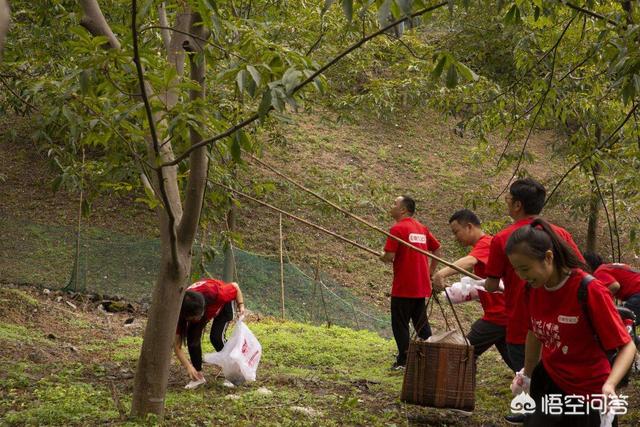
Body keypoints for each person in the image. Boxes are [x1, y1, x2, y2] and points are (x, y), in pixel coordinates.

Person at [505, 218, 635, 427]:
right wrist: (526, 375)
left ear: (548, 257)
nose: (521, 276)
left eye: (525, 269)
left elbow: (627, 346)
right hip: (552, 384)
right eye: (516, 270)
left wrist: (610, 385)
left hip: (590, 393)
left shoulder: (588, 290)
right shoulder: (532, 289)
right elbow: (534, 333)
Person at [483, 178, 584, 424]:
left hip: (522, 321)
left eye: (508, 199)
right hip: (560, 323)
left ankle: (533, 412)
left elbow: (492, 284)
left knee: (531, 374)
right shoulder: (558, 233)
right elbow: (581, 267)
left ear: (517, 204)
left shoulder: (503, 238)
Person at [432, 209, 514, 371]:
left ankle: (460, 390)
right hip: (503, 315)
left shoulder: (487, 243)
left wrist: (441, 273)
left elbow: (469, 261)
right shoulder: (485, 246)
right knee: (516, 361)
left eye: (457, 232)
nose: (456, 237)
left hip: (498, 316)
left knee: (465, 352)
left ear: (469, 227)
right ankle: (535, 385)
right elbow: (482, 283)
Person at [380, 195, 442, 370]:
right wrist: (429, 272)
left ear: (403, 210)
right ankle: (431, 356)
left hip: (404, 287)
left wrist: (382, 256)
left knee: (399, 323)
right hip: (421, 286)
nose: (391, 206)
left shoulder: (397, 229)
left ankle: (404, 360)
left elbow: (389, 256)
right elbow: (437, 249)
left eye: (394, 203)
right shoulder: (421, 228)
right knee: (420, 322)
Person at [174, 278, 245, 383]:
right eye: (194, 318)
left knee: (216, 338)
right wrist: (188, 367)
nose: (198, 319)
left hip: (223, 305)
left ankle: (234, 373)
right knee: (193, 341)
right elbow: (176, 345)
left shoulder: (216, 293)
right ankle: (198, 377)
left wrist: (241, 305)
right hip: (199, 308)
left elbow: (235, 286)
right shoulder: (179, 314)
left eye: (200, 315)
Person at [584, 251, 640, 323]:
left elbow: (614, 286)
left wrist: (600, 300)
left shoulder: (599, 272)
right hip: (636, 292)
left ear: (588, 265)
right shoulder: (608, 267)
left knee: (619, 323)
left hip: (637, 292)